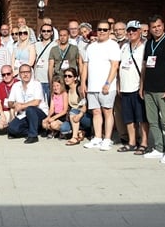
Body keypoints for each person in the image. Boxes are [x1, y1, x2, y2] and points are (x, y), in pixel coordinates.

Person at [139, 16, 165, 162]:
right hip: (149, 88)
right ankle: (158, 148)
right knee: (152, 120)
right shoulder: (149, 43)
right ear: (149, 29)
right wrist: (142, 86)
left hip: (163, 89)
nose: (156, 29)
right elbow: (145, 65)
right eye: (153, 27)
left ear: (163, 26)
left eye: (159, 26)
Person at [81, 20, 122, 151]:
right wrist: (83, 82)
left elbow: (115, 65)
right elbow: (85, 65)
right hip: (92, 85)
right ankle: (97, 137)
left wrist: (108, 83)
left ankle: (107, 139)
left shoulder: (113, 45)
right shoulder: (91, 47)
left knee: (107, 111)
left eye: (105, 30)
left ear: (109, 31)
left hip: (107, 86)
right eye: (100, 29)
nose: (102, 32)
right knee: (96, 112)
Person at [116, 20, 148, 154]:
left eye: (134, 30)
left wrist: (142, 86)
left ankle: (144, 143)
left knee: (141, 118)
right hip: (125, 87)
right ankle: (132, 142)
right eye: (129, 30)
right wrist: (118, 84)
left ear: (139, 31)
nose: (131, 33)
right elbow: (119, 66)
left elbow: (145, 67)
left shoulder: (145, 46)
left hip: (137, 87)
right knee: (128, 118)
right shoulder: (124, 46)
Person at [6, 64, 48, 143]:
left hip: (39, 114)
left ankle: (33, 136)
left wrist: (22, 106)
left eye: (27, 72)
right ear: (19, 74)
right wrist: (15, 105)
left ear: (31, 73)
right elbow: (10, 102)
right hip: (24, 115)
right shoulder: (16, 85)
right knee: (11, 128)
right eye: (23, 72)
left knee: (30, 109)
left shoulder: (36, 84)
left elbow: (36, 102)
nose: (25, 74)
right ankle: (37, 130)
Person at [61, 68, 90, 146]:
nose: (67, 78)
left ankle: (74, 137)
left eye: (69, 76)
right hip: (72, 116)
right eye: (65, 76)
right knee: (63, 129)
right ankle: (80, 131)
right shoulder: (67, 90)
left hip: (84, 115)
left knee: (73, 111)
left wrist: (80, 115)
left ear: (75, 78)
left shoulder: (79, 88)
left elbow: (86, 104)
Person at [0, 64, 19, 134]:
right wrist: (2, 115)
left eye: (8, 74)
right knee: (0, 125)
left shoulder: (18, 83)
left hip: (17, 110)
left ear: (12, 73)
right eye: (3, 75)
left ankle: (12, 126)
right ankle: (10, 126)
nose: (6, 76)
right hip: (5, 111)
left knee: (12, 111)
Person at [33, 23, 56, 96]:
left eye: (48, 31)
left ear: (52, 33)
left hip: (49, 80)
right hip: (37, 79)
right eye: (44, 31)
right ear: (41, 32)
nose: (46, 33)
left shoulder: (55, 45)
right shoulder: (36, 45)